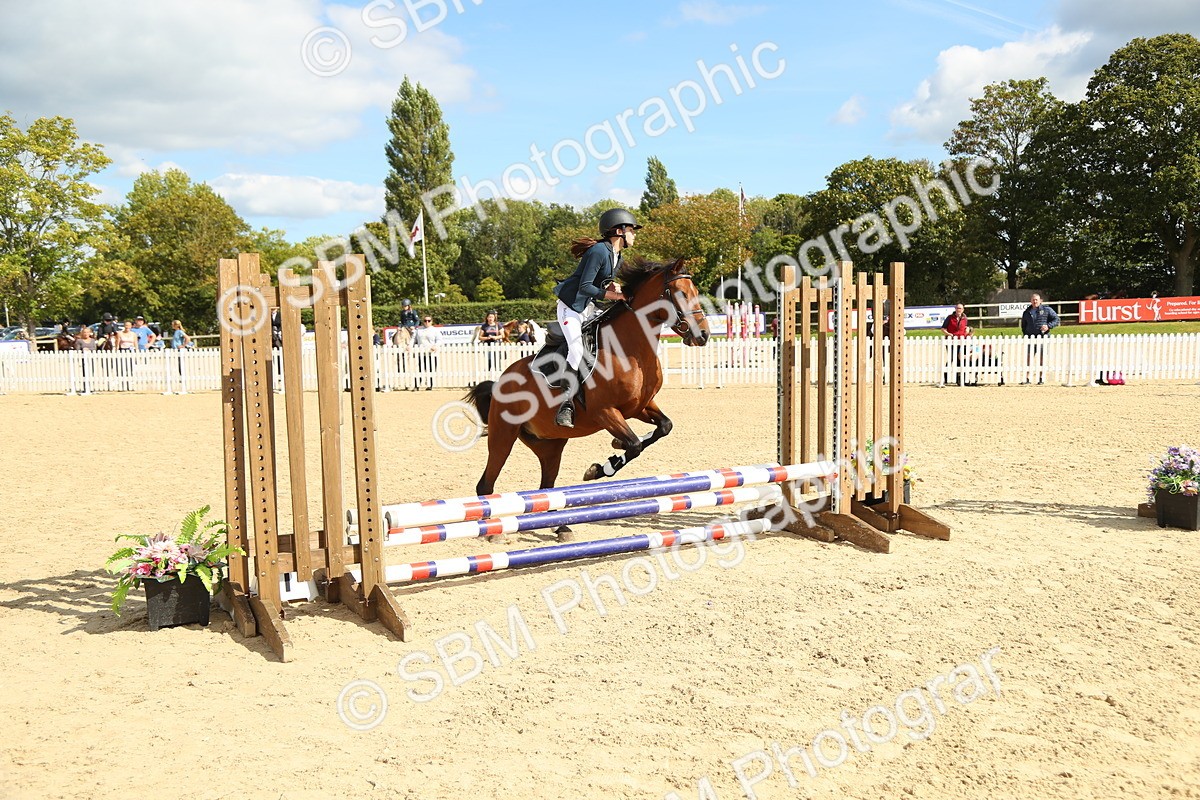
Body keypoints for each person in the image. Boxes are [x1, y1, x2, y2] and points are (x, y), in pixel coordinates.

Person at [550, 208, 640, 427]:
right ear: (619, 231)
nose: (634, 234)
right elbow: (585, 286)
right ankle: (566, 404)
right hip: (571, 307)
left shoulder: (617, 255)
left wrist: (611, 285)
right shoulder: (599, 251)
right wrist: (614, 294)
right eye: (632, 230)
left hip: (588, 307)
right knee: (577, 349)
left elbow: (600, 282)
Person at [1020, 294, 1058, 384]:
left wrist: (1048, 326)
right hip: (1030, 338)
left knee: (1042, 358)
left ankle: (1041, 378)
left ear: (1040, 300)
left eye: (1036, 300)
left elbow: (1056, 319)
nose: (1035, 301)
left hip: (1042, 338)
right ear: (1031, 301)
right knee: (1028, 358)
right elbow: (1023, 325)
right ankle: (1027, 378)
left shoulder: (1047, 310)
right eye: (1033, 300)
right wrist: (1026, 334)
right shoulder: (1027, 312)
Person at [941, 303, 972, 386]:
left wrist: (967, 330)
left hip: (961, 341)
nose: (959, 310)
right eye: (958, 308)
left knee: (960, 358)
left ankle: (959, 379)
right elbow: (943, 328)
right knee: (951, 358)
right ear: (955, 309)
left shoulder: (965, 318)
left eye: (961, 308)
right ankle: (945, 378)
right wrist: (949, 334)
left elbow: (965, 327)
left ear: (963, 310)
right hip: (951, 340)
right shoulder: (950, 318)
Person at [412, 314, 441, 390]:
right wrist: (409, 346)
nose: (427, 322)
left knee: (431, 369)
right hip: (421, 353)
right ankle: (417, 385)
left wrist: (435, 346)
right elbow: (413, 339)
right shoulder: (418, 330)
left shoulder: (435, 330)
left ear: (432, 322)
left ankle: (430, 385)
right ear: (423, 322)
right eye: (425, 321)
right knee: (420, 370)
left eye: (429, 321)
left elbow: (439, 340)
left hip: (432, 353)